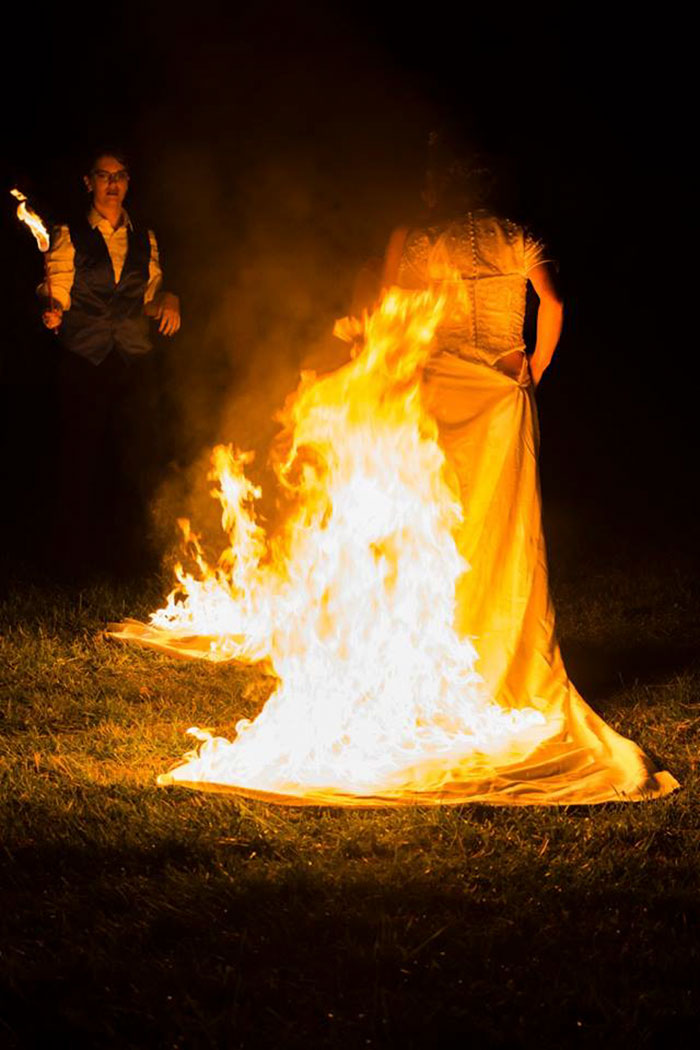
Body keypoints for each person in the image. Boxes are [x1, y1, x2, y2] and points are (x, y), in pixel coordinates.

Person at [38, 149, 181, 579]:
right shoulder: (69, 234)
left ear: (128, 182)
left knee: (137, 460)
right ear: (89, 183)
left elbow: (149, 298)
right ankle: (72, 560)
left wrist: (170, 300)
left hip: (134, 361)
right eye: (103, 176)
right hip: (85, 358)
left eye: (119, 176)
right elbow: (57, 287)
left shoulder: (145, 238)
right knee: (80, 459)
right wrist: (53, 308)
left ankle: (134, 560)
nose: (112, 184)